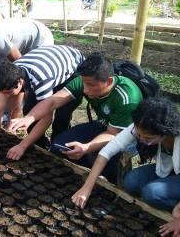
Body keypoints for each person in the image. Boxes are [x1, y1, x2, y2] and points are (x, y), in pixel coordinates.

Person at [9, 53, 143, 182]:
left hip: (127, 135)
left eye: (90, 85)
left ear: (109, 81)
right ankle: (80, 177)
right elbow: (53, 101)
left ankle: (113, 185)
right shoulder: (85, 80)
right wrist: (29, 118)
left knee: (97, 157)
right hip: (103, 125)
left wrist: (87, 147)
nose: (85, 89)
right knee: (59, 146)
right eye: (84, 83)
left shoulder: (127, 98)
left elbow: (113, 134)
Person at [70, 97, 180, 236]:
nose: (141, 140)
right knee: (131, 181)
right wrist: (87, 187)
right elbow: (106, 152)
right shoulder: (140, 126)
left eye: (148, 138)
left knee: (151, 192)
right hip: (171, 170)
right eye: (139, 135)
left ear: (165, 132)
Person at [0, 45, 85, 163]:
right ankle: (40, 145)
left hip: (74, 67)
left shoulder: (41, 81)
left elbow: (46, 118)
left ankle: (58, 153)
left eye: (9, 92)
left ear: (20, 81)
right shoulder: (8, 76)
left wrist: (22, 146)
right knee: (30, 109)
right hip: (49, 62)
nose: (7, 95)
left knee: (62, 115)